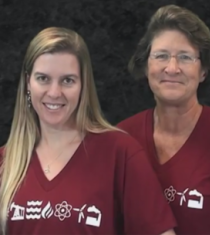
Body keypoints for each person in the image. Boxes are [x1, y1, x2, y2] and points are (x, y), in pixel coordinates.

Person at [0, 27, 177, 235]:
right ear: (28, 83)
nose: (55, 92)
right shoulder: (6, 162)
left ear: (83, 86)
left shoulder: (119, 152)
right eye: (43, 79)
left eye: (67, 80)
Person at [117, 5, 210, 235]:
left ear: (204, 70)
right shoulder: (121, 139)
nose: (172, 68)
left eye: (185, 57)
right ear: (146, 65)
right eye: (161, 56)